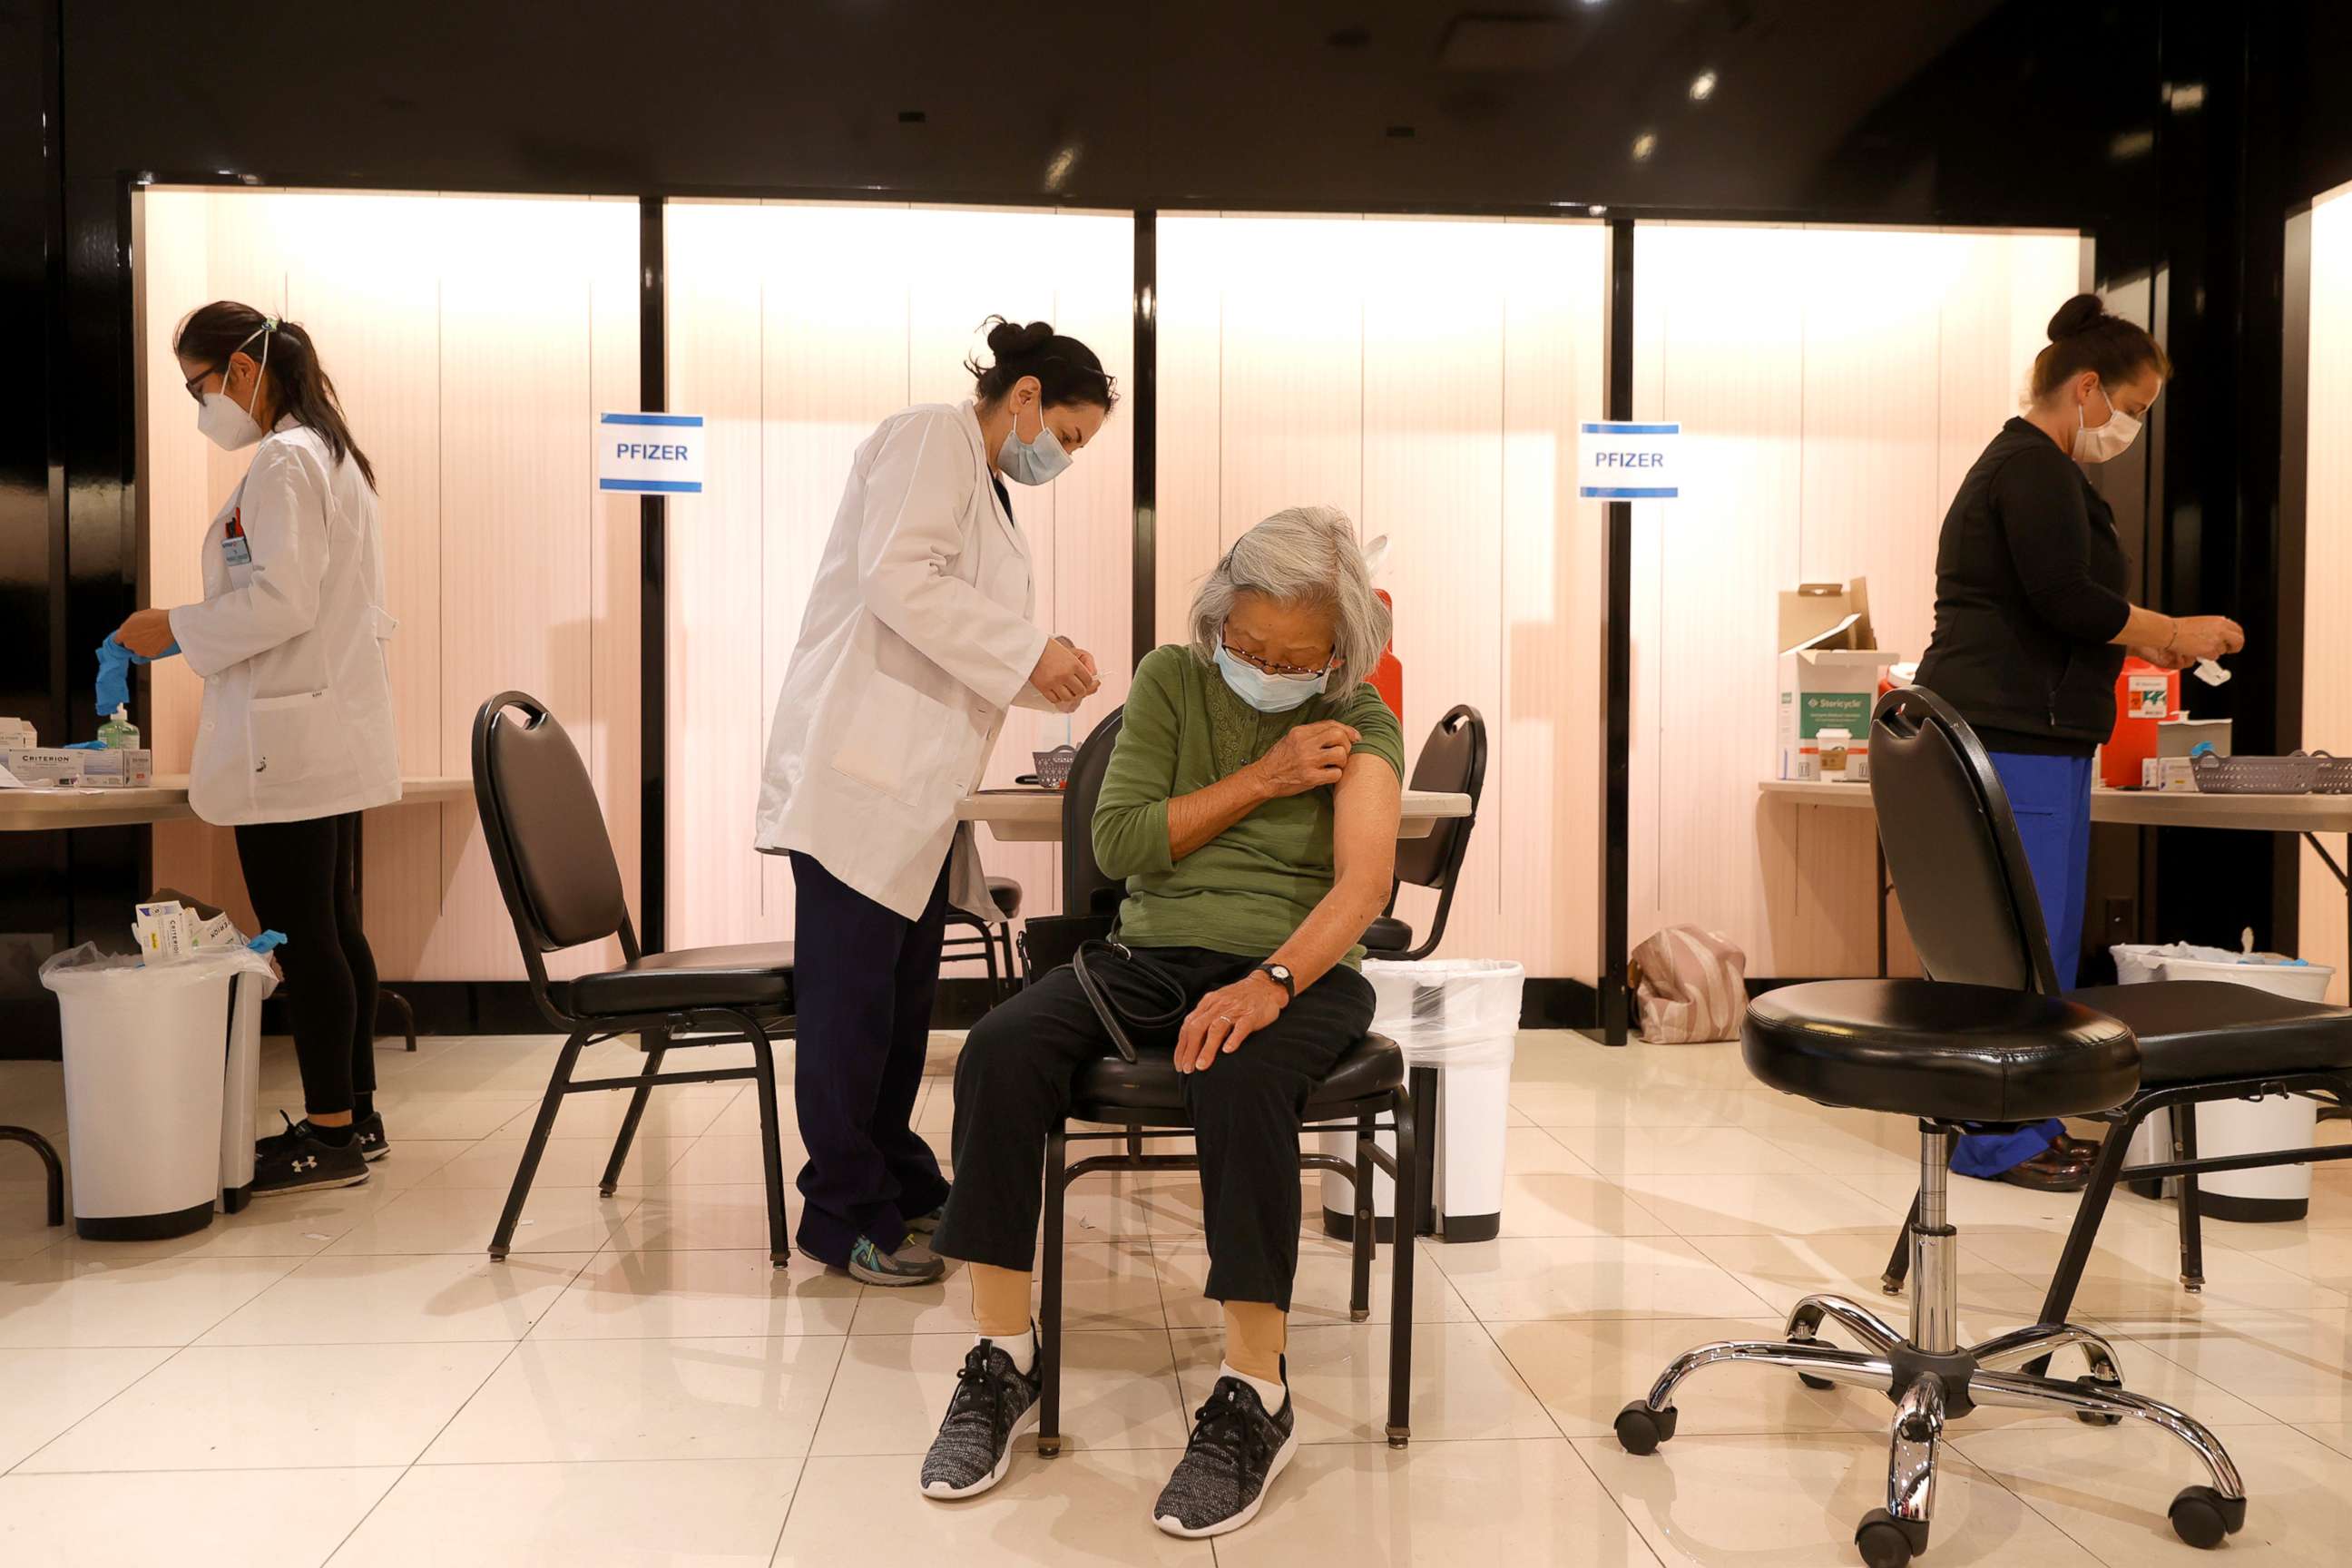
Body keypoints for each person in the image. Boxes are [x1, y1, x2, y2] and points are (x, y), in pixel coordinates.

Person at [919, 505, 1404, 1539]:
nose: (1265, 668)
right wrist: (1268, 777)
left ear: (1341, 652)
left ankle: (1253, 1394)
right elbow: (1126, 840)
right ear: (1217, 617)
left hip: (1301, 970)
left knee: (1240, 1071)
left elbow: (1363, 887)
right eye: (1247, 643)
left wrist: (1271, 981)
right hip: (1147, 957)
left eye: (1295, 656)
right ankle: (1004, 1357)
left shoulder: (1361, 718)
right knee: (1001, 1051)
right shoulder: (1171, 682)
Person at [754, 318, 1113, 1286]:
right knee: (851, 1012)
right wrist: (1027, 653)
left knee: (901, 1007)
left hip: (912, 793)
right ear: (1026, 396)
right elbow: (899, 579)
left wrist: (1049, 671)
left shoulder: (986, 483)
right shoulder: (928, 437)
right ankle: (842, 1217)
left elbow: (960, 629)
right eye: (1069, 437)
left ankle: (901, 1183)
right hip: (859, 780)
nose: (1063, 459)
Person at [1916, 293, 2243, 1191]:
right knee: (2021, 945)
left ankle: (2022, 1120)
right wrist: (2171, 630)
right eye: (2133, 409)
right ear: (2088, 389)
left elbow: (2065, 613)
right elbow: (2069, 599)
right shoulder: (2033, 470)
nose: (2131, 427)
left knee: (2037, 945)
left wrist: (2160, 637)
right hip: (2012, 742)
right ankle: (2001, 1135)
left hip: (2030, 739)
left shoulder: (2039, 471)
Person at [113, 301, 401, 1196]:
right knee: (335, 929)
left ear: (243, 369)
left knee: (308, 938)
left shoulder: (284, 460)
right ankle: (356, 1112)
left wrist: (174, 628)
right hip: (321, 728)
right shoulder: (327, 455)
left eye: (199, 384)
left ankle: (331, 1136)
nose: (202, 404)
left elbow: (283, 602)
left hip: (291, 740)